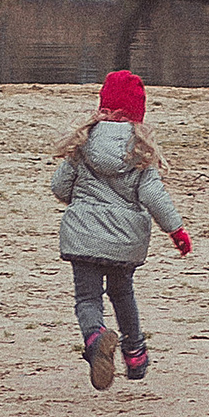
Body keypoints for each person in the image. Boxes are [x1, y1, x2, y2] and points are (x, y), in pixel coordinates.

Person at [49, 69, 191, 387]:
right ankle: (135, 352)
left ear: (103, 107)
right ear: (136, 115)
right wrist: (176, 231)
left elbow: (59, 187)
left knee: (87, 299)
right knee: (122, 292)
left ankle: (95, 336)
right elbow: (154, 195)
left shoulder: (82, 146)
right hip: (124, 241)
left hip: (83, 236)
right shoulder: (140, 152)